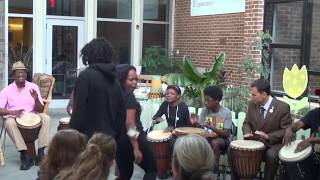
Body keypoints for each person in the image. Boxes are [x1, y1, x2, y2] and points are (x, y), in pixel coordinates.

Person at [69, 37, 126, 139]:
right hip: (109, 139)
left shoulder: (85, 77)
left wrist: (72, 132)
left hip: (89, 140)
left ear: (88, 55)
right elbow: (121, 111)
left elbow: (79, 110)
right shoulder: (114, 79)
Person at [0, 61, 51, 170]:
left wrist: (36, 99)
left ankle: (41, 154)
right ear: (13, 75)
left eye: (23, 73)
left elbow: (40, 109)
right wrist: (12, 112)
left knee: (46, 118)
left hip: (33, 116)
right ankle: (25, 154)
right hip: (15, 118)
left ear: (26, 74)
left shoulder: (33, 87)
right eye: (18, 73)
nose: (21, 75)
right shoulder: (6, 91)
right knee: (8, 122)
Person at [242, 78, 292, 180]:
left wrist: (268, 136)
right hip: (257, 142)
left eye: (253, 95)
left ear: (264, 94)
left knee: (271, 155)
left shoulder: (282, 107)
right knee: (232, 150)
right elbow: (247, 123)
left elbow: (286, 130)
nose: (251, 98)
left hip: (274, 144)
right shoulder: (252, 104)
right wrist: (247, 132)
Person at [115, 64, 157, 180]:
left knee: (125, 174)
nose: (134, 83)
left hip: (119, 141)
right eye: (130, 79)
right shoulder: (128, 96)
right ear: (121, 79)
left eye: (136, 79)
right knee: (152, 169)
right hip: (134, 138)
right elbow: (130, 124)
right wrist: (136, 147)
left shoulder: (114, 94)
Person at [282, 88, 320, 179]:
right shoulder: (315, 113)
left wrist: (311, 140)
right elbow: (299, 124)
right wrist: (290, 129)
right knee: (289, 168)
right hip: (314, 156)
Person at [198, 86, 232, 166]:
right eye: (205, 99)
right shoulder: (204, 110)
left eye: (208, 100)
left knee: (214, 142)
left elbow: (226, 134)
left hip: (222, 140)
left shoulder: (226, 113)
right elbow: (200, 127)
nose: (205, 102)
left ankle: (214, 169)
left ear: (217, 100)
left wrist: (209, 126)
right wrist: (194, 123)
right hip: (207, 138)